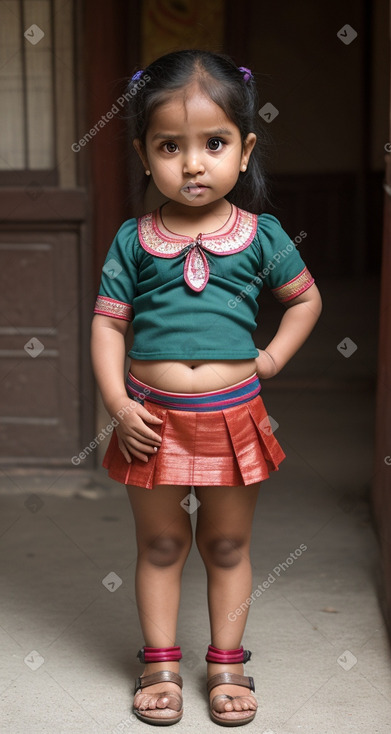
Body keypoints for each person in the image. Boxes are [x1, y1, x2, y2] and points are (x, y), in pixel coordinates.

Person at [90, 49, 322, 727]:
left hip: (231, 416)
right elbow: (108, 327)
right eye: (170, 146)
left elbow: (304, 301)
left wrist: (272, 358)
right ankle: (159, 664)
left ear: (244, 150)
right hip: (149, 420)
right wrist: (117, 403)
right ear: (143, 154)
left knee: (225, 544)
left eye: (213, 143)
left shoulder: (260, 235)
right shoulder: (134, 241)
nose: (193, 163)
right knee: (161, 544)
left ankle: (226, 664)